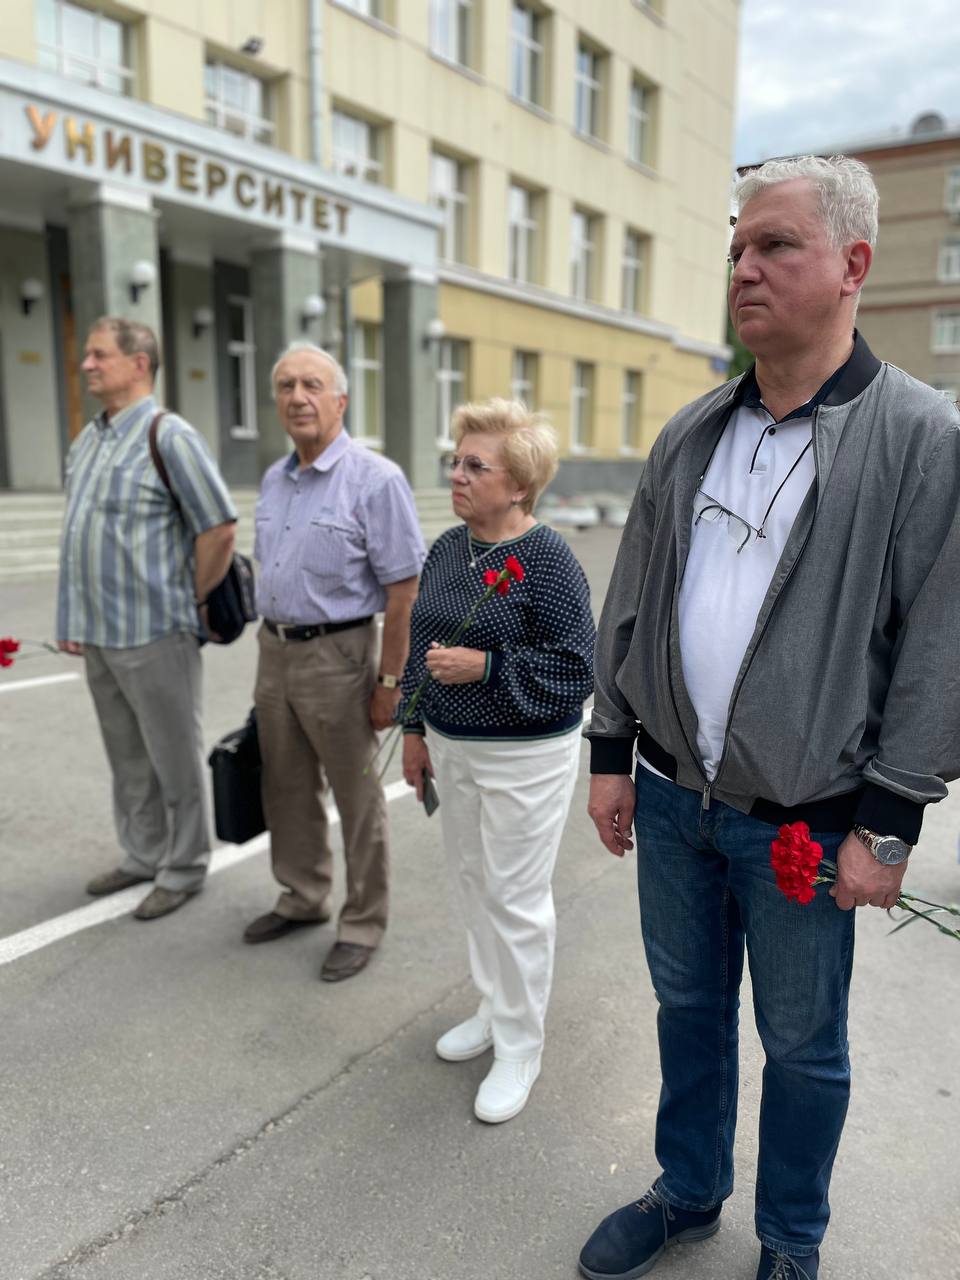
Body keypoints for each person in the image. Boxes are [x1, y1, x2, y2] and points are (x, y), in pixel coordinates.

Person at [579, 155, 960, 1280]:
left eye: (776, 245)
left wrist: (889, 819)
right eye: (738, 247)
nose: (743, 267)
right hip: (672, 798)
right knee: (686, 1008)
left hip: (805, 813)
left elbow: (941, 646)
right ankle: (689, 1189)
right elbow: (633, 595)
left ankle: (791, 1239)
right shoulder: (695, 429)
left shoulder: (920, 438)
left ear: (853, 264)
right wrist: (612, 750)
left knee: (801, 1045)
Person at [401, 399, 595, 1123]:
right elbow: (422, 643)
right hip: (450, 746)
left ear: (518, 485)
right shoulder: (448, 548)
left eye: (475, 466)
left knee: (515, 898)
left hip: (524, 757)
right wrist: (413, 728)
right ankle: (493, 1006)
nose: (457, 474)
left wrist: (486, 667)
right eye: (456, 461)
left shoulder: (548, 560)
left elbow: (578, 670)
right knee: (472, 883)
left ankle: (521, 1044)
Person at [244, 343, 424, 983]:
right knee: (286, 784)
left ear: (340, 400)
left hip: (340, 654)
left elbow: (404, 591)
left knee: (356, 795)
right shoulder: (275, 479)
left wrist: (390, 682)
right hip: (274, 650)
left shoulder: (376, 479)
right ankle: (303, 895)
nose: (298, 397)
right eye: (286, 385)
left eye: (312, 385)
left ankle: (363, 921)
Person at [57, 317, 238, 920]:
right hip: (100, 631)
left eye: (99, 354)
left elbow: (218, 527)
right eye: (87, 355)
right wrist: (71, 617)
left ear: (139, 364)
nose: (87, 364)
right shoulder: (88, 441)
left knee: (173, 757)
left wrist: (190, 599)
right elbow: (78, 535)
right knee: (128, 757)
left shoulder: (170, 436)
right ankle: (143, 853)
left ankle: (184, 866)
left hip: (156, 630)